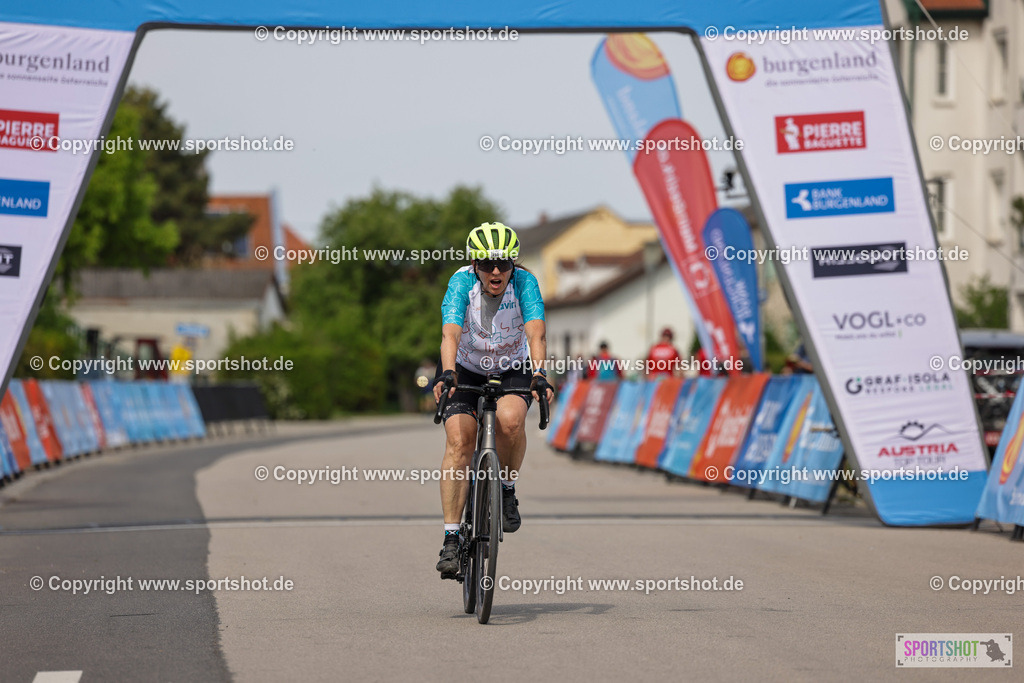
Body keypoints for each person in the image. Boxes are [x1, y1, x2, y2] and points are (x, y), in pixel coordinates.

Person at [432, 222, 554, 579]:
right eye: (486, 264)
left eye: (503, 263)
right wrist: (448, 371)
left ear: (513, 263)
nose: (496, 271)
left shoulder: (525, 283)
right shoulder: (461, 283)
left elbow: (537, 331)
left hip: (512, 367)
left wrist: (540, 372)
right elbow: (450, 331)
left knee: (512, 421)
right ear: (475, 265)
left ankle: (507, 489)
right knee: (459, 442)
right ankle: (451, 538)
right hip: (467, 368)